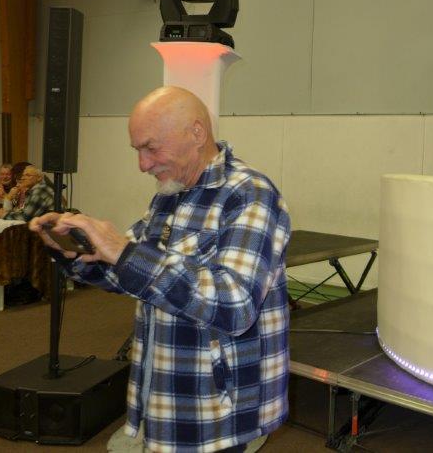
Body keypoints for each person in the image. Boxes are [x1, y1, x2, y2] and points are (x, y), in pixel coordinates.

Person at [29, 86, 291, 452]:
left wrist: (124, 251)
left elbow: (235, 306)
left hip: (219, 410)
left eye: (151, 148)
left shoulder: (249, 194)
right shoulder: (170, 195)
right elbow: (128, 274)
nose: (143, 164)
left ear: (197, 133)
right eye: (137, 150)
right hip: (167, 397)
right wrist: (73, 252)